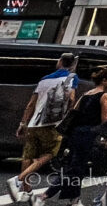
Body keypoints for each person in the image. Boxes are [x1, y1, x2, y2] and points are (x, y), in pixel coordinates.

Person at [36, 64, 107, 204]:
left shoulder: (86, 94)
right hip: (89, 134)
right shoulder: (105, 96)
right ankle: (44, 196)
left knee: (75, 167)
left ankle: (74, 199)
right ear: (104, 80)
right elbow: (106, 119)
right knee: (75, 168)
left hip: (76, 132)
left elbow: (74, 112)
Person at [9, 53, 79, 202]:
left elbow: (30, 105)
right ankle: (18, 180)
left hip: (34, 123)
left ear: (59, 62)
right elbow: (72, 98)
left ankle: (27, 191)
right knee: (50, 153)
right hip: (53, 124)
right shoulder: (72, 78)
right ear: (72, 65)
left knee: (28, 155)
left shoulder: (44, 79)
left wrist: (23, 123)